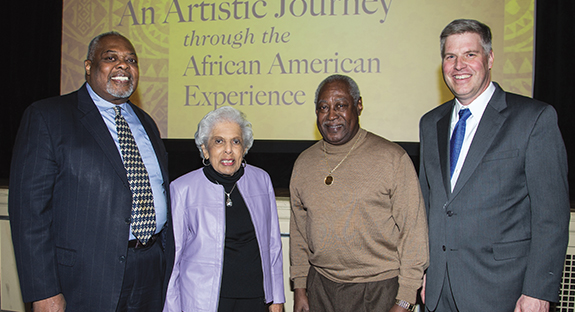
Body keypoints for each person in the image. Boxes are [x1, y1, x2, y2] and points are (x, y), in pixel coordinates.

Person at [9, 31, 175, 312]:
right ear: (89, 67)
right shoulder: (48, 117)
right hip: (85, 280)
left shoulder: (147, 123)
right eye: (111, 58)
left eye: (131, 60)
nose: (123, 65)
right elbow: (29, 214)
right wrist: (44, 291)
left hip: (151, 271)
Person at [419, 19, 570, 312]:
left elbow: (551, 217)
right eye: (450, 56)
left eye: (470, 54)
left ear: (489, 59)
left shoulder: (534, 119)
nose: (459, 65)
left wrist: (538, 291)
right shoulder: (430, 123)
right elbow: (429, 206)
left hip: (503, 294)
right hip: (438, 292)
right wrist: (424, 271)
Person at [290, 74, 429, 312]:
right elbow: (299, 234)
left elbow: (413, 234)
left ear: (359, 106)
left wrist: (405, 299)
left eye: (341, 105)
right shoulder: (304, 163)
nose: (331, 115)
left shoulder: (393, 159)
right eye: (323, 107)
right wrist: (300, 289)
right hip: (320, 288)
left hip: (378, 290)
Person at [163, 106, 285, 312]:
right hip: (205, 301)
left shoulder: (261, 179)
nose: (228, 149)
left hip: (255, 299)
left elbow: (273, 245)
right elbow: (173, 260)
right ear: (204, 149)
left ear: (245, 148)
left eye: (235, 141)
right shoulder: (182, 189)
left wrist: (277, 298)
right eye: (218, 141)